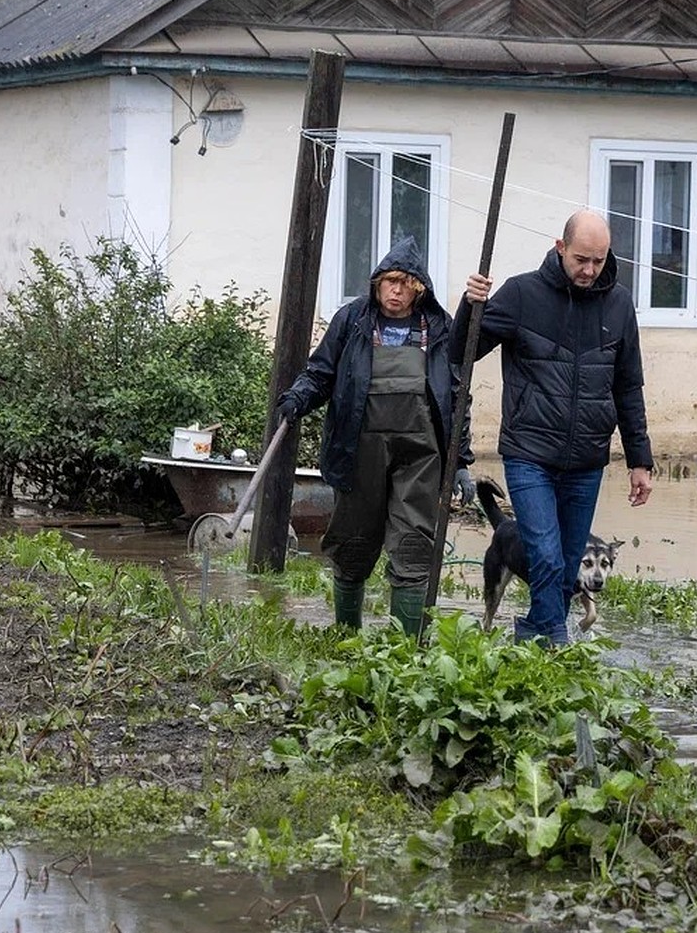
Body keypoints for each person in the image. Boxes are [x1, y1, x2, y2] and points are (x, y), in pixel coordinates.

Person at [452, 209, 653, 645]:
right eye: (581, 259)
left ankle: (532, 639)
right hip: (530, 454)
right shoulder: (522, 294)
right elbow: (461, 352)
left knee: (565, 563)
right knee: (543, 555)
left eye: (598, 261)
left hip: (586, 460)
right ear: (560, 247)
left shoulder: (618, 304)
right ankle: (555, 641)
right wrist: (470, 307)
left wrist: (640, 460)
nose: (589, 270)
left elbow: (628, 386)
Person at [276, 235, 474, 635]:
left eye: (404, 283)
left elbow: (457, 395)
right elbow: (322, 373)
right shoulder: (352, 321)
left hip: (421, 456)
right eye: (389, 282)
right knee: (352, 543)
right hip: (358, 451)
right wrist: (296, 399)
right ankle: (346, 636)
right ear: (377, 284)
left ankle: (405, 652)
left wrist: (462, 463)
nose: (396, 290)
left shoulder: (437, 327)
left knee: (414, 546)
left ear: (418, 287)